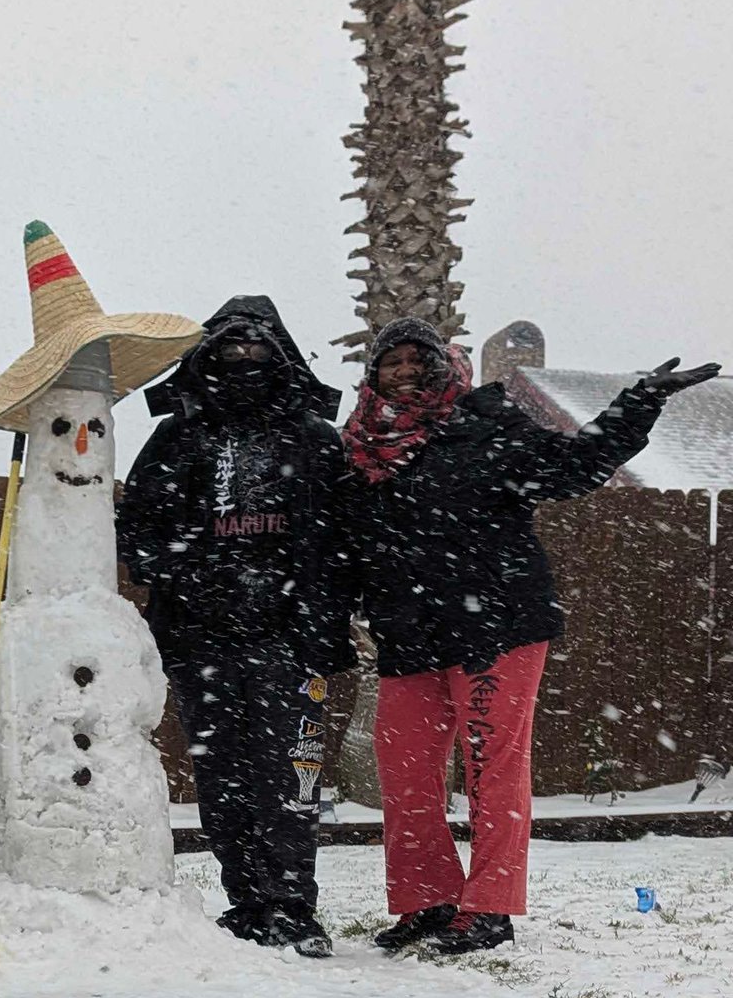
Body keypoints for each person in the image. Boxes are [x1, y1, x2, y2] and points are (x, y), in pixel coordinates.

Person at [343, 318, 720, 954]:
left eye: (420, 358)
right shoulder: (361, 447)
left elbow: (574, 466)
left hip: (497, 623)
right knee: (405, 775)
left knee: (493, 770)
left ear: (447, 366)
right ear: (372, 374)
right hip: (407, 633)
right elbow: (344, 545)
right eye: (392, 361)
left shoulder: (488, 423)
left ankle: (489, 909)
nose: (406, 370)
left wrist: (638, 403)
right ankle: (427, 902)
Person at [117, 295, 358, 958]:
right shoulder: (179, 438)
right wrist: (193, 575)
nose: (245, 365)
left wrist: (313, 607)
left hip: (291, 640)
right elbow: (136, 529)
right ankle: (249, 903)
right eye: (231, 354)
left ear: (280, 361)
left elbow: (345, 539)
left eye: (258, 354)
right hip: (201, 640)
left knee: (290, 776)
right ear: (207, 361)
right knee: (222, 776)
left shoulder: (314, 440)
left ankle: (293, 905)